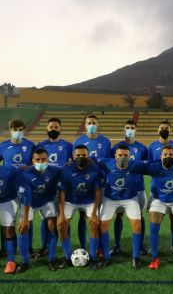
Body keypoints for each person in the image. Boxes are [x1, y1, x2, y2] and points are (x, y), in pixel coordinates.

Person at [95, 145, 145, 269]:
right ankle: (106, 256)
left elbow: (151, 164)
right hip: (110, 198)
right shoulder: (106, 163)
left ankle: (136, 256)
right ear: (115, 156)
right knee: (103, 225)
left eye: (125, 155)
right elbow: (92, 159)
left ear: (130, 157)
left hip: (130, 198)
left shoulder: (135, 164)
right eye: (120, 155)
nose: (122, 157)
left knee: (137, 225)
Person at [15, 148, 62, 273]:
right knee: (23, 227)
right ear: (32, 161)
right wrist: (25, 218)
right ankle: (25, 261)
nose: (40, 162)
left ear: (48, 159)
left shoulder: (55, 170)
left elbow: (67, 172)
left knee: (52, 226)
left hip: (47, 201)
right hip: (29, 203)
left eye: (43, 159)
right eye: (37, 159)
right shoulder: (26, 174)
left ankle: (52, 258)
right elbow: (27, 196)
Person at [0, 118, 35, 260]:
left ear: (24, 130)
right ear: (10, 130)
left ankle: (29, 248)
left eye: (20, 130)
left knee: (27, 218)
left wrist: (27, 168)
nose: (17, 132)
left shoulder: (30, 145)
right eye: (15, 129)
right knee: (6, 219)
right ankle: (4, 249)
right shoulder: (2, 146)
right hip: (8, 187)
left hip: (25, 185)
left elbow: (35, 164)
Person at [57, 145, 102, 270]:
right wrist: (61, 214)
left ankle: (92, 258)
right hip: (70, 201)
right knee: (61, 224)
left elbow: (97, 192)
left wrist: (93, 213)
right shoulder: (66, 169)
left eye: (83, 155)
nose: (81, 157)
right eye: (78, 155)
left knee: (93, 223)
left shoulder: (95, 169)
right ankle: (67, 257)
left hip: (89, 200)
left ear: (88, 156)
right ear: (73, 156)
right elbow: (62, 192)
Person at [35, 117, 73, 259]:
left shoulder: (68, 146)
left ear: (60, 129)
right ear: (47, 129)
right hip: (45, 187)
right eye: (51, 127)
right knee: (45, 218)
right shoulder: (40, 145)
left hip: (62, 187)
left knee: (63, 219)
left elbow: (75, 162)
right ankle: (44, 247)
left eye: (56, 127)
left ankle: (65, 247)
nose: (53, 129)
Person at [110, 120, 148, 256]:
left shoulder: (142, 148)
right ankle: (117, 244)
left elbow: (146, 166)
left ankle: (141, 245)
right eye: (127, 128)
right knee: (118, 215)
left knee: (140, 217)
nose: (130, 130)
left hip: (138, 188)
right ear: (124, 130)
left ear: (135, 130)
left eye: (132, 128)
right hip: (120, 189)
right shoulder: (116, 148)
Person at [75, 114, 111, 250]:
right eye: (89, 123)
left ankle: (100, 247)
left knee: (99, 216)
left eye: (93, 123)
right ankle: (83, 245)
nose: (91, 125)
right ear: (85, 125)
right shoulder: (79, 141)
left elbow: (108, 163)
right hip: (85, 184)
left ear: (98, 124)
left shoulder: (106, 142)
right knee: (82, 215)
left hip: (100, 184)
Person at [147, 119, 173, 254]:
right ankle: (152, 246)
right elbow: (149, 164)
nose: (164, 130)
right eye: (162, 127)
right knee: (155, 220)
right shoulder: (152, 146)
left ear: (170, 130)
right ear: (158, 130)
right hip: (156, 190)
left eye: (166, 127)